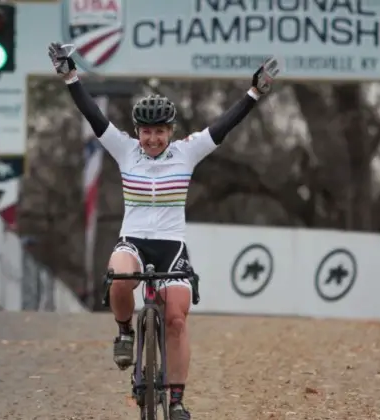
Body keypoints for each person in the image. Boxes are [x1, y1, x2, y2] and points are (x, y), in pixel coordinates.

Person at [47, 42, 278, 420]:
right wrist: (71, 76)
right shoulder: (125, 150)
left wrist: (254, 92)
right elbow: (91, 114)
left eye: (159, 132)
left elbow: (224, 125)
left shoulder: (186, 152)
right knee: (119, 274)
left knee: (175, 319)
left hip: (172, 248)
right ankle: (125, 332)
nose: (152, 139)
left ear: (170, 131)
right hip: (134, 242)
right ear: (137, 131)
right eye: (146, 132)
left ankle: (175, 400)